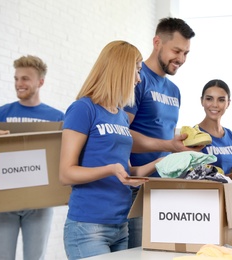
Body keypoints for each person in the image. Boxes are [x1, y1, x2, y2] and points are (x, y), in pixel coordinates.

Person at [59, 40, 163, 259]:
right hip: (88, 226)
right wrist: (109, 169)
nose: (138, 78)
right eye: (136, 71)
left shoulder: (120, 116)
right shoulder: (83, 109)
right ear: (120, 71)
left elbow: (127, 172)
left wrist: (164, 161)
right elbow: (66, 174)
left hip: (121, 224)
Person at [124, 17, 197, 248]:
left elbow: (166, 136)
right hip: (136, 187)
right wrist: (169, 146)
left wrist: (184, 148)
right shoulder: (137, 79)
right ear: (157, 42)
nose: (181, 59)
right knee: (138, 253)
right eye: (176, 50)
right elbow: (119, 137)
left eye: (186, 53)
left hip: (165, 186)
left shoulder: (174, 90)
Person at [0, 55, 64, 260]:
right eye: (16, 78)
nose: (18, 84)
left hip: (40, 204)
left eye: (25, 78)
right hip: (3, 202)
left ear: (40, 82)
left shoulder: (57, 118)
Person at [196, 79, 232, 180]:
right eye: (209, 99)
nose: (215, 105)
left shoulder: (231, 136)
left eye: (221, 100)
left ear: (228, 103)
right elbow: (199, 178)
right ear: (202, 101)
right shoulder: (195, 135)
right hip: (209, 194)